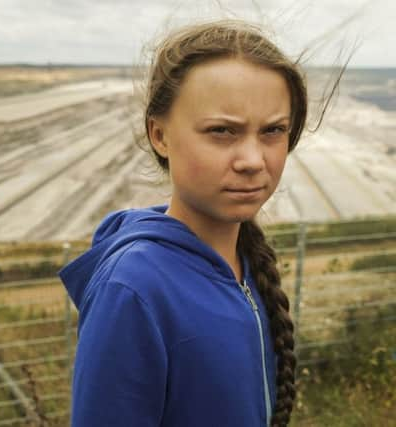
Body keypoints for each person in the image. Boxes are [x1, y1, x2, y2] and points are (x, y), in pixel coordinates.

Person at [59, 19, 312, 427]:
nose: (252, 160)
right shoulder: (132, 290)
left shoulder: (246, 264)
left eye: (273, 131)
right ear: (159, 135)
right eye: (221, 131)